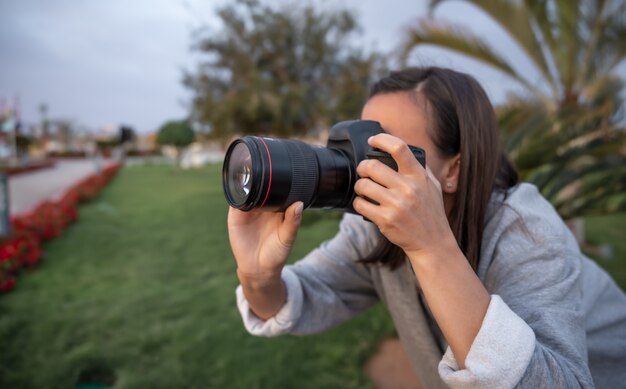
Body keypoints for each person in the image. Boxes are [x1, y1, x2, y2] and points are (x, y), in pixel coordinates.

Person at [228, 67, 626, 388]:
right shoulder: (369, 228)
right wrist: (258, 276)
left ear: (454, 169)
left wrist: (432, 248)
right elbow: (308, 295)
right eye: (354, 147)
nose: (360, 168)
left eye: (384, 150)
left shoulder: (525, 232)